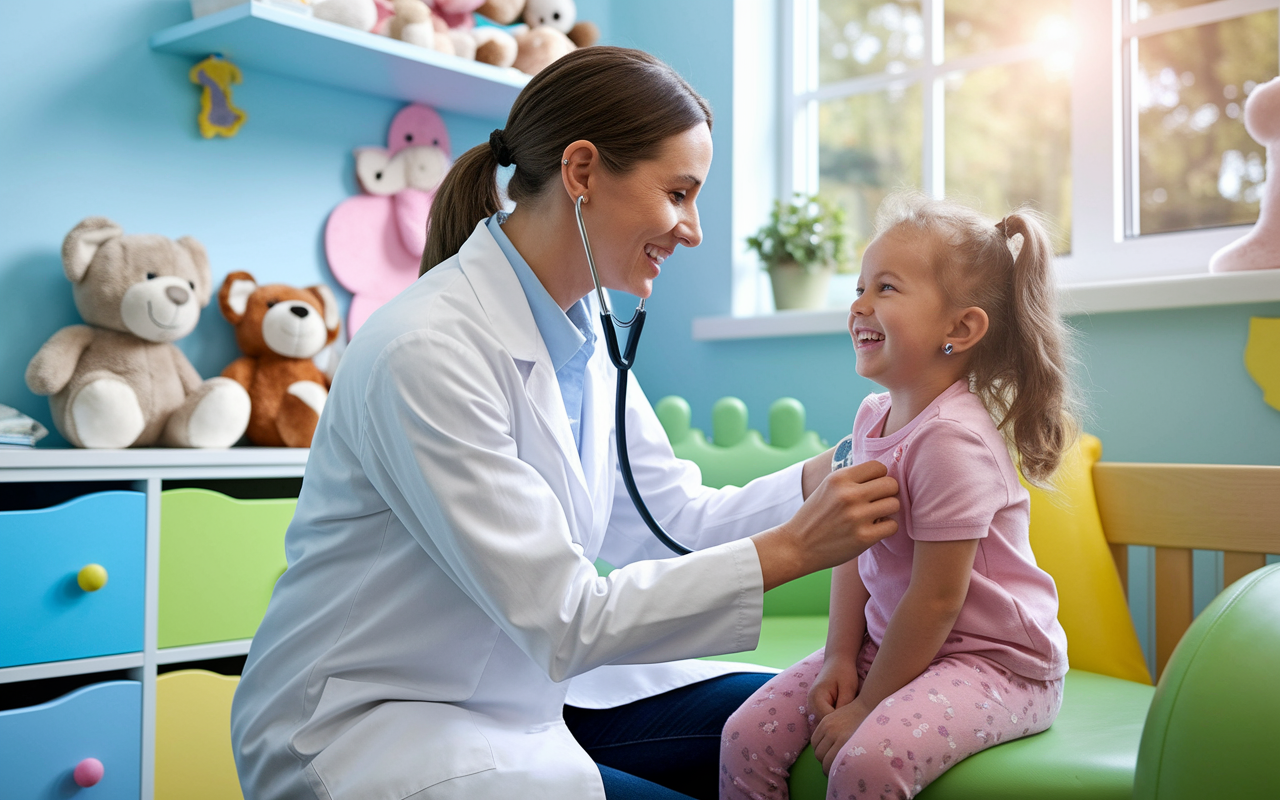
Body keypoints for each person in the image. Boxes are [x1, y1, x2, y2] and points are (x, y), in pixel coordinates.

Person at [230, 47, 902, 800]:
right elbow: (563, 618)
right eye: (678, 193)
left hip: (531, 697)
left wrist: (839, 466)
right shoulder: (426, 351)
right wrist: (796, 547)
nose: (693, 230)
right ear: (581, 172)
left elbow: (669, 518)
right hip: (380, 725)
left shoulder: (583, 333)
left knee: (804, 723)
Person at [720, 192, 1079, 799]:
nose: (859, 304)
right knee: (744, 735)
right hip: (898, 646)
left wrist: (868, 705)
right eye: (860, 286)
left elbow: (937, 599)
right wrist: (839, 657)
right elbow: (855, 552)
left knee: (867, 762)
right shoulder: (871, 418)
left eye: (886, 288)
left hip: (996, 663)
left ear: (959, 328)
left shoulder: (952, 441)